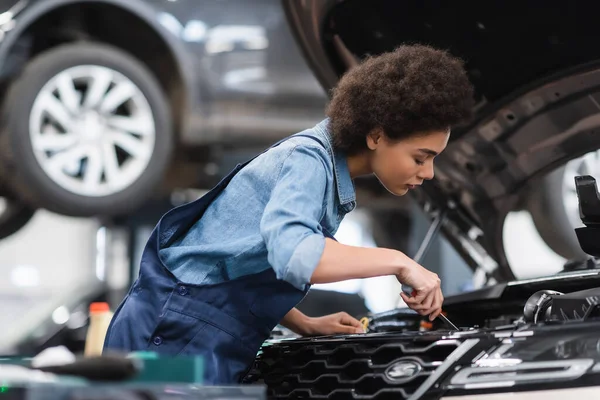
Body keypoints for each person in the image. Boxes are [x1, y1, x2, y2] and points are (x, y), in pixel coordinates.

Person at [103, 44, 475, 384]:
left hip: (194, 331)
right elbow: (295, 255)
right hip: (171, 337)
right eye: (421, 157)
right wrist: (399, 262)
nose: (428, 174)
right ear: (376, 136)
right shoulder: (308, 161)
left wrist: (304, 323)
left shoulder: (325, 169)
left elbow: (240, 263)